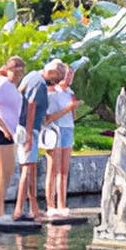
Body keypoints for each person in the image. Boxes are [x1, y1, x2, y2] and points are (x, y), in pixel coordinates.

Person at [14, 58, 61, 221]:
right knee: (27, 170)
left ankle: (33, 208)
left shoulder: (32, 75)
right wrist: (28, 136)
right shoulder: (40, 83)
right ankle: (18, 210)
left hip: (26, 128)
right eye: (56, 79)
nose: (55, 83)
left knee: (31, 169)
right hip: (28, 129)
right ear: (52, 73)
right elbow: (32, 106)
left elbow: (20, 93)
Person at [0, 56, 25, 219]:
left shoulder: (12, 87)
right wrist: (4, 128)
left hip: (11, 133)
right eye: (15, 72)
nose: (17, 75)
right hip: (0, 131)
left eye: (20, 73)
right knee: (3, 172)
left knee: (9, 172)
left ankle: (1, 210)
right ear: (8, 70)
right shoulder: (2, 83)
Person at [43, 63, 77, 213]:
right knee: (53, 169)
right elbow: (48, 118)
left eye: (72, 75)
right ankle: (50, 205)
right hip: (54, 131)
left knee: (64, 171)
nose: (70, 77)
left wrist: (73, 109)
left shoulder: (70, 93)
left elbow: (72, 116)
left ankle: (62, 205)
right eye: (68, 74)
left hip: (68, 129)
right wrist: (67, 109)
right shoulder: (52, 92)